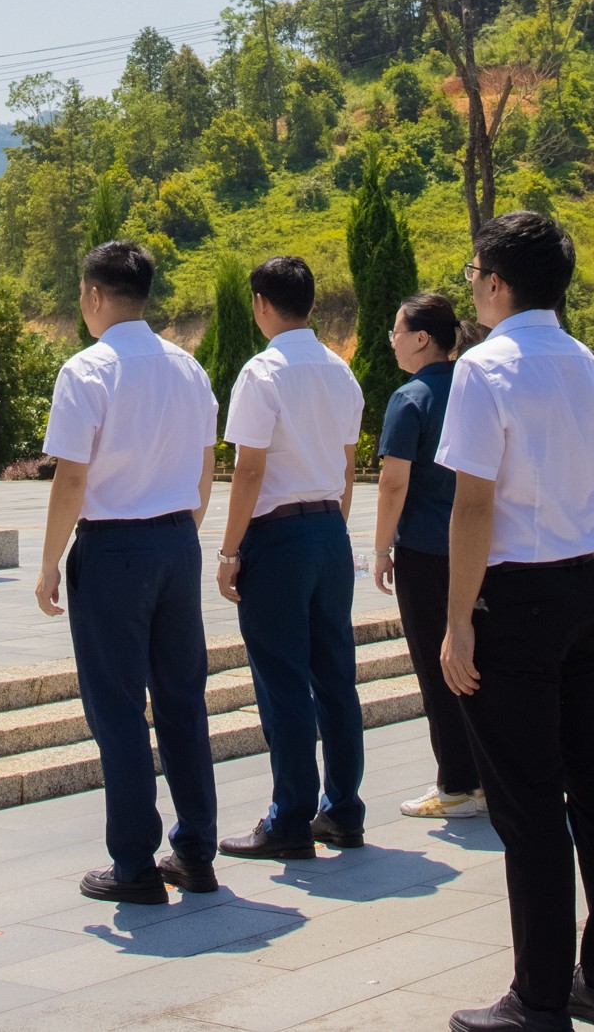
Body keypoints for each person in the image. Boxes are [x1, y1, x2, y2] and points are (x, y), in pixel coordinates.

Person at [437, 211, 594, 1032]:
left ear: (494, 281)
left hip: (514, 600)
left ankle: (541, 994)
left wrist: (457, 621)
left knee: (526, 803)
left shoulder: (485, 370)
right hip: (581, 591)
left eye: (475, 275)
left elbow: (473, 506)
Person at [37, 238, 223, 903]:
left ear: (93, 295)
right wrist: (182, 535)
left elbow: (71, 479)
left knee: (117, 708)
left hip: (113, 549)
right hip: (177, 542)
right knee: (182, 701)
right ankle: (196, 850)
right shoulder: (187, 367)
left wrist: (49, 563)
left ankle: (135, 865)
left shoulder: (86, 371)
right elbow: (207, 464)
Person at [216, 252, 368, 855]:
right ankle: (343, 810)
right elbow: (349, 464)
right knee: (336, 676)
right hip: (330, 529)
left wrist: (229, 551)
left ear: (260, 304)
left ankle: (289, 819)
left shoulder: (262, 372)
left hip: (278, 535)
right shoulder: (340, 370)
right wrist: (333, 530)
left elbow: (248, 470)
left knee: (281, 678)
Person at [374, 291, 488, 821]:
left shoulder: (410, 397)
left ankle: (457, 785)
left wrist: (379, 548)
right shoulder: (475, 386)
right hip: (481, 547)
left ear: (422, 338)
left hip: (424, 549)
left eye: (397, 330)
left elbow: (393, 481)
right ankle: (487, 776)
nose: (391, 339)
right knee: (479, 664)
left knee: (436, 664)